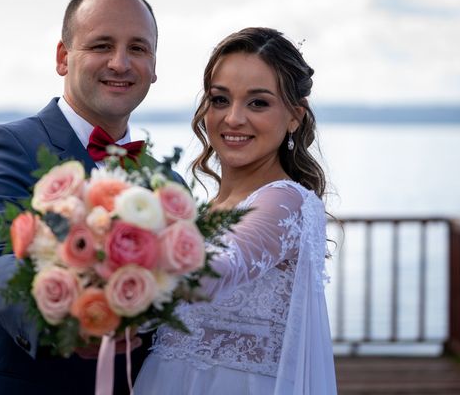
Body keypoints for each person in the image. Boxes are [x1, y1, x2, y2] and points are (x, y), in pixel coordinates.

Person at [0, 0, 166, 394]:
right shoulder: (3, 147)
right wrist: (69, 322)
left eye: (138, 48)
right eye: (102, 45)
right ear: (62, 57)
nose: (120, 63)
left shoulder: (165, 182)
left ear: (154, 66)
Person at [134, 27, 337, 394]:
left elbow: (215, 271)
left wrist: (109, 247)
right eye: (220, 99)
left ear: (294, 116)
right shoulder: (203, 211)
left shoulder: (284, 200)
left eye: (258, 103)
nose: (233, 119)